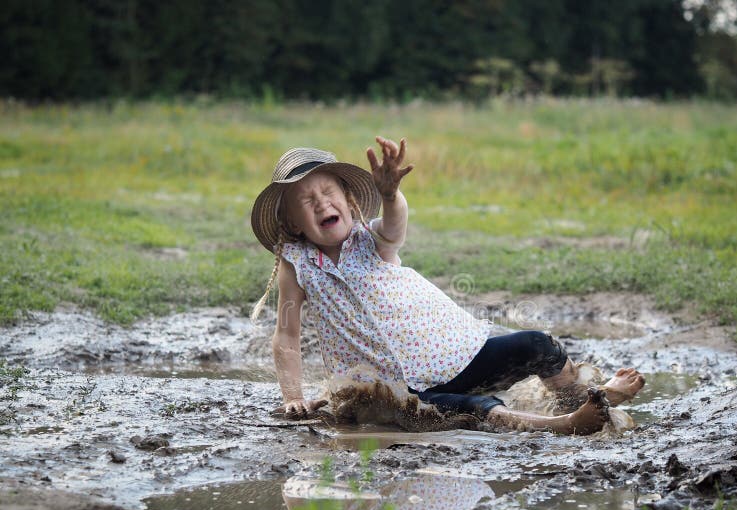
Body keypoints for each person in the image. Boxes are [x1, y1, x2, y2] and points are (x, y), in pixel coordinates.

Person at [250, 137, 645, 435]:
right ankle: (563, 425)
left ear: (348, 200)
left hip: (451, 358)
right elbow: (286, 337)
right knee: (471, 408)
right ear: (293, 223)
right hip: (395, 391)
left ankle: (586, 399)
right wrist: (293, 397)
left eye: (327, 193)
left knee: (537, 345)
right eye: (306, 200)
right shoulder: (297, 265)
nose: (321, 203)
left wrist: (390, 194)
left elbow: (395, 225)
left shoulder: (369, 240)